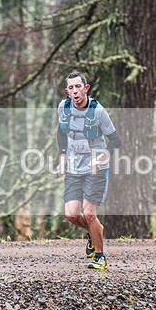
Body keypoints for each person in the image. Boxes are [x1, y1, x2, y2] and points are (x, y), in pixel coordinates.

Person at [57, 71, 121, 270]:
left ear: (86, 89)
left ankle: (100, 257)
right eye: (71, 88)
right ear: (67, 91)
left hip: (96, 169)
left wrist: (102, 157)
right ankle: (95, 232)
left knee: (90, 214)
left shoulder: (98, 112)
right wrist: (62, 158)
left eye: (78, 87)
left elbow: (116, 140)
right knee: (70, 214)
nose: (75, 91)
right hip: (74, 168)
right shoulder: (63, 107)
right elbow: (61, 132)